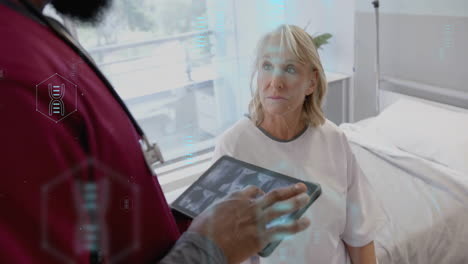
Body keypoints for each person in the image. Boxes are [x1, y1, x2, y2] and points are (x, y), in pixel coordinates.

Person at [0, 1, 312, 263]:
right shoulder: (15, 78)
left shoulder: (35, 35)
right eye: (267, 67)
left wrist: (190, 226)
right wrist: (207, 248)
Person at [212, 24, 383, 264]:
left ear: (311, 82)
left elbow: (360, 237)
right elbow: (222, 250)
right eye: (267, 66)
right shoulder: (233, 147)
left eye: (290, 69)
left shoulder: (334, 139)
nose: (275, 82)